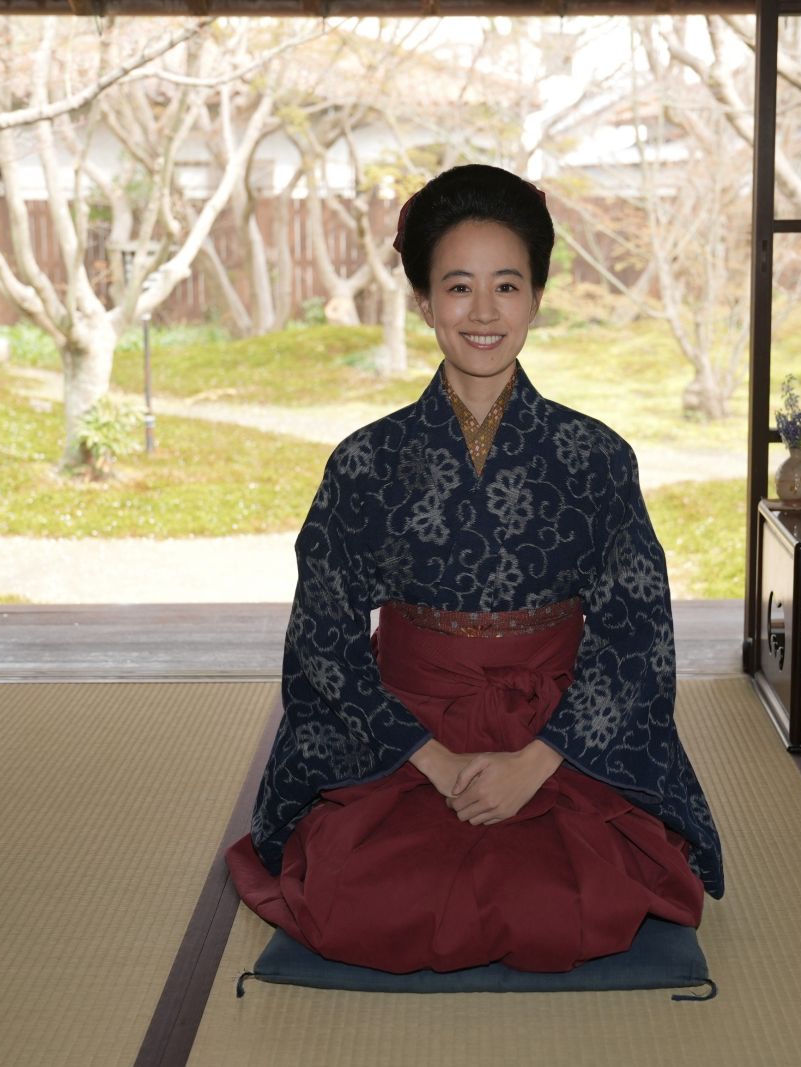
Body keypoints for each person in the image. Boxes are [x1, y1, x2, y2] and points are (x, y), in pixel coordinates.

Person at [225, 164, 724, 974]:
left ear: (537, 295)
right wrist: (434, 758)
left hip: (558, 728)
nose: (484, 313)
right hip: (405, 728)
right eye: (458, 288)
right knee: (372, 897)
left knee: (565, 896)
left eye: (507, 285)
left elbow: (637, 631)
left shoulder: (597, 456)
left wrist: (537, 760)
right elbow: (325, 637)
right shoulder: (366, 461)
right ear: (424, 300)